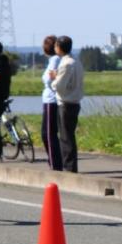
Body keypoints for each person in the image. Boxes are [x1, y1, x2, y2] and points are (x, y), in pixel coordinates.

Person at [52, 35, 84, 173]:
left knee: (65, 138)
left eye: (55, 45)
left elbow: (59, 86)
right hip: (75, 102)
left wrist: (54, 79)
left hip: (65, 103)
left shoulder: (66, 63)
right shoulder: (76, 61)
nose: (54, 48)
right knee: (69, 136)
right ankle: (71, 167)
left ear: (59, 47)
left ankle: (69, 168)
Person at [40, 35, 62, 171]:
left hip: (51, 100)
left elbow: (49, 79)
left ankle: (55, 164)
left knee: (48, 133)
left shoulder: (54, 59)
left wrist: (48, 79)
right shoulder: (57, 59)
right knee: (50, 133)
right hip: (53, 99)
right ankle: (56, 162)